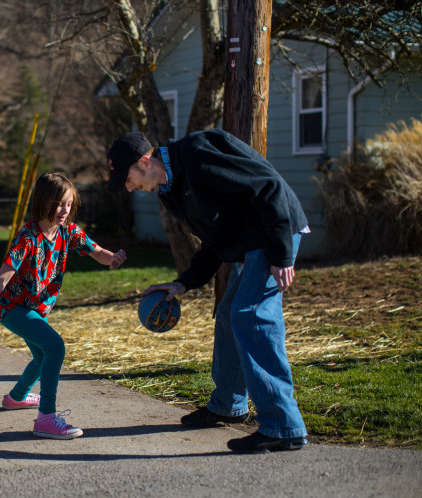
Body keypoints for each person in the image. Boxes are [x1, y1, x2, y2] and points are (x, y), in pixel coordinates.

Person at [106, 129, 310, 454]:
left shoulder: (197, 152)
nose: (129, 188)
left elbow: (266, 185)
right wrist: (183, 282)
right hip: (253, 242)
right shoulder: (170, 191)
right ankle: (229, 404)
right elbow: (218, 239)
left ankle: (284, 426)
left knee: (251, 315)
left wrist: (282, 254)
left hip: (274, 231)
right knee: (230, 314)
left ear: (145, 162)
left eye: (127, 179)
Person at [0, 172, 127, 439]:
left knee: (42, 355)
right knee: (55, 346)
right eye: (59, 204)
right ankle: (46, 418)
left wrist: (112, 258)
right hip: (12, 308)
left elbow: (95, 251)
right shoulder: (27, 236)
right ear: (43, 201)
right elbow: (0, 279)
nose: (65, 210)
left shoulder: (69, 230)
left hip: (35, 309)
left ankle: (17, 397)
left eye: (69, 204)